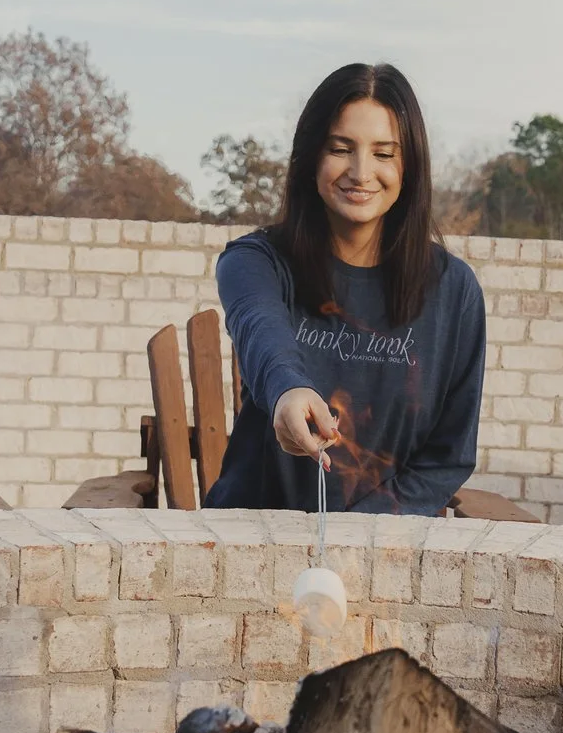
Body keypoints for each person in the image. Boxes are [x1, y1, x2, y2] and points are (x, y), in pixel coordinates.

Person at [203, 62, 485, 516]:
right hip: (253, 540)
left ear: (408, 167)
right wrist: (288, 392)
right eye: (340, 148)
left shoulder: (454, 291)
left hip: (385, 554)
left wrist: (357, 539)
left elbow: (447, 457)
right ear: (311, 156)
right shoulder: (255, 261)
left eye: (384, 153)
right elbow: (261, 330)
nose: (360, 171)